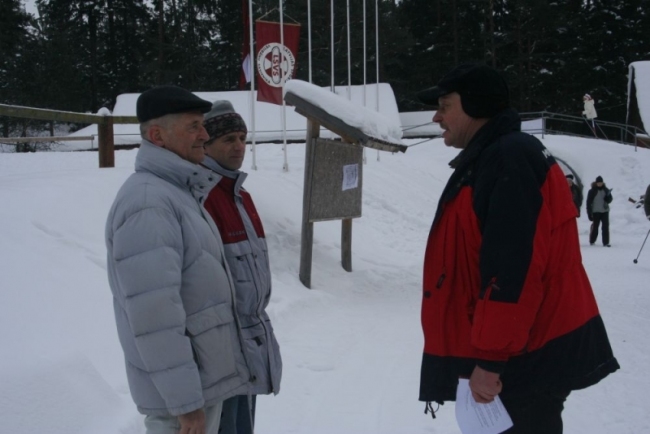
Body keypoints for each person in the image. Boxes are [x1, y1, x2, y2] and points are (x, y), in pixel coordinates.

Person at [416, 63, 619, 434]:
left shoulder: (509, 157)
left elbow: (513, 268)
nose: (436, 116)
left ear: (476, 105)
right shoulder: (494, 156)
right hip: (521, 351)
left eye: (445, 106)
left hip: (524, 358)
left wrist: (491, 359)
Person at [105, 85, 251, 434]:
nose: (204, 135)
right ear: (157, 136)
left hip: (198, 386)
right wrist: (185, 404)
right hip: (182, 404)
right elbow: (155, 316)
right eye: (193, 127)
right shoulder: (148, 203)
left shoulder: (177, 192)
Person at [200, 100, 282, 434]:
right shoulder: (202, 195)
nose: (238, 146)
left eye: (242, 138)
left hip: (248, 342)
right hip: (221, 348)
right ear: (206, 144)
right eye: (228, 139)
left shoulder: (240, 195)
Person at [586, 175, 613, 247]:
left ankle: (606, 242)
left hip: (605, 211)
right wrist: (589, 213)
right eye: (598, 183)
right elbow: (588, 202)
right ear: (596, 183)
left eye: (601, 183)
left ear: (602, 183)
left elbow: (610, 200)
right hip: (595, 211)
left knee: (605, 227)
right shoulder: (592, 191)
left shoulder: (606, 190)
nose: (600, 184)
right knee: (595, 227)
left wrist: (608, 197)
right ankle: (592, 241)